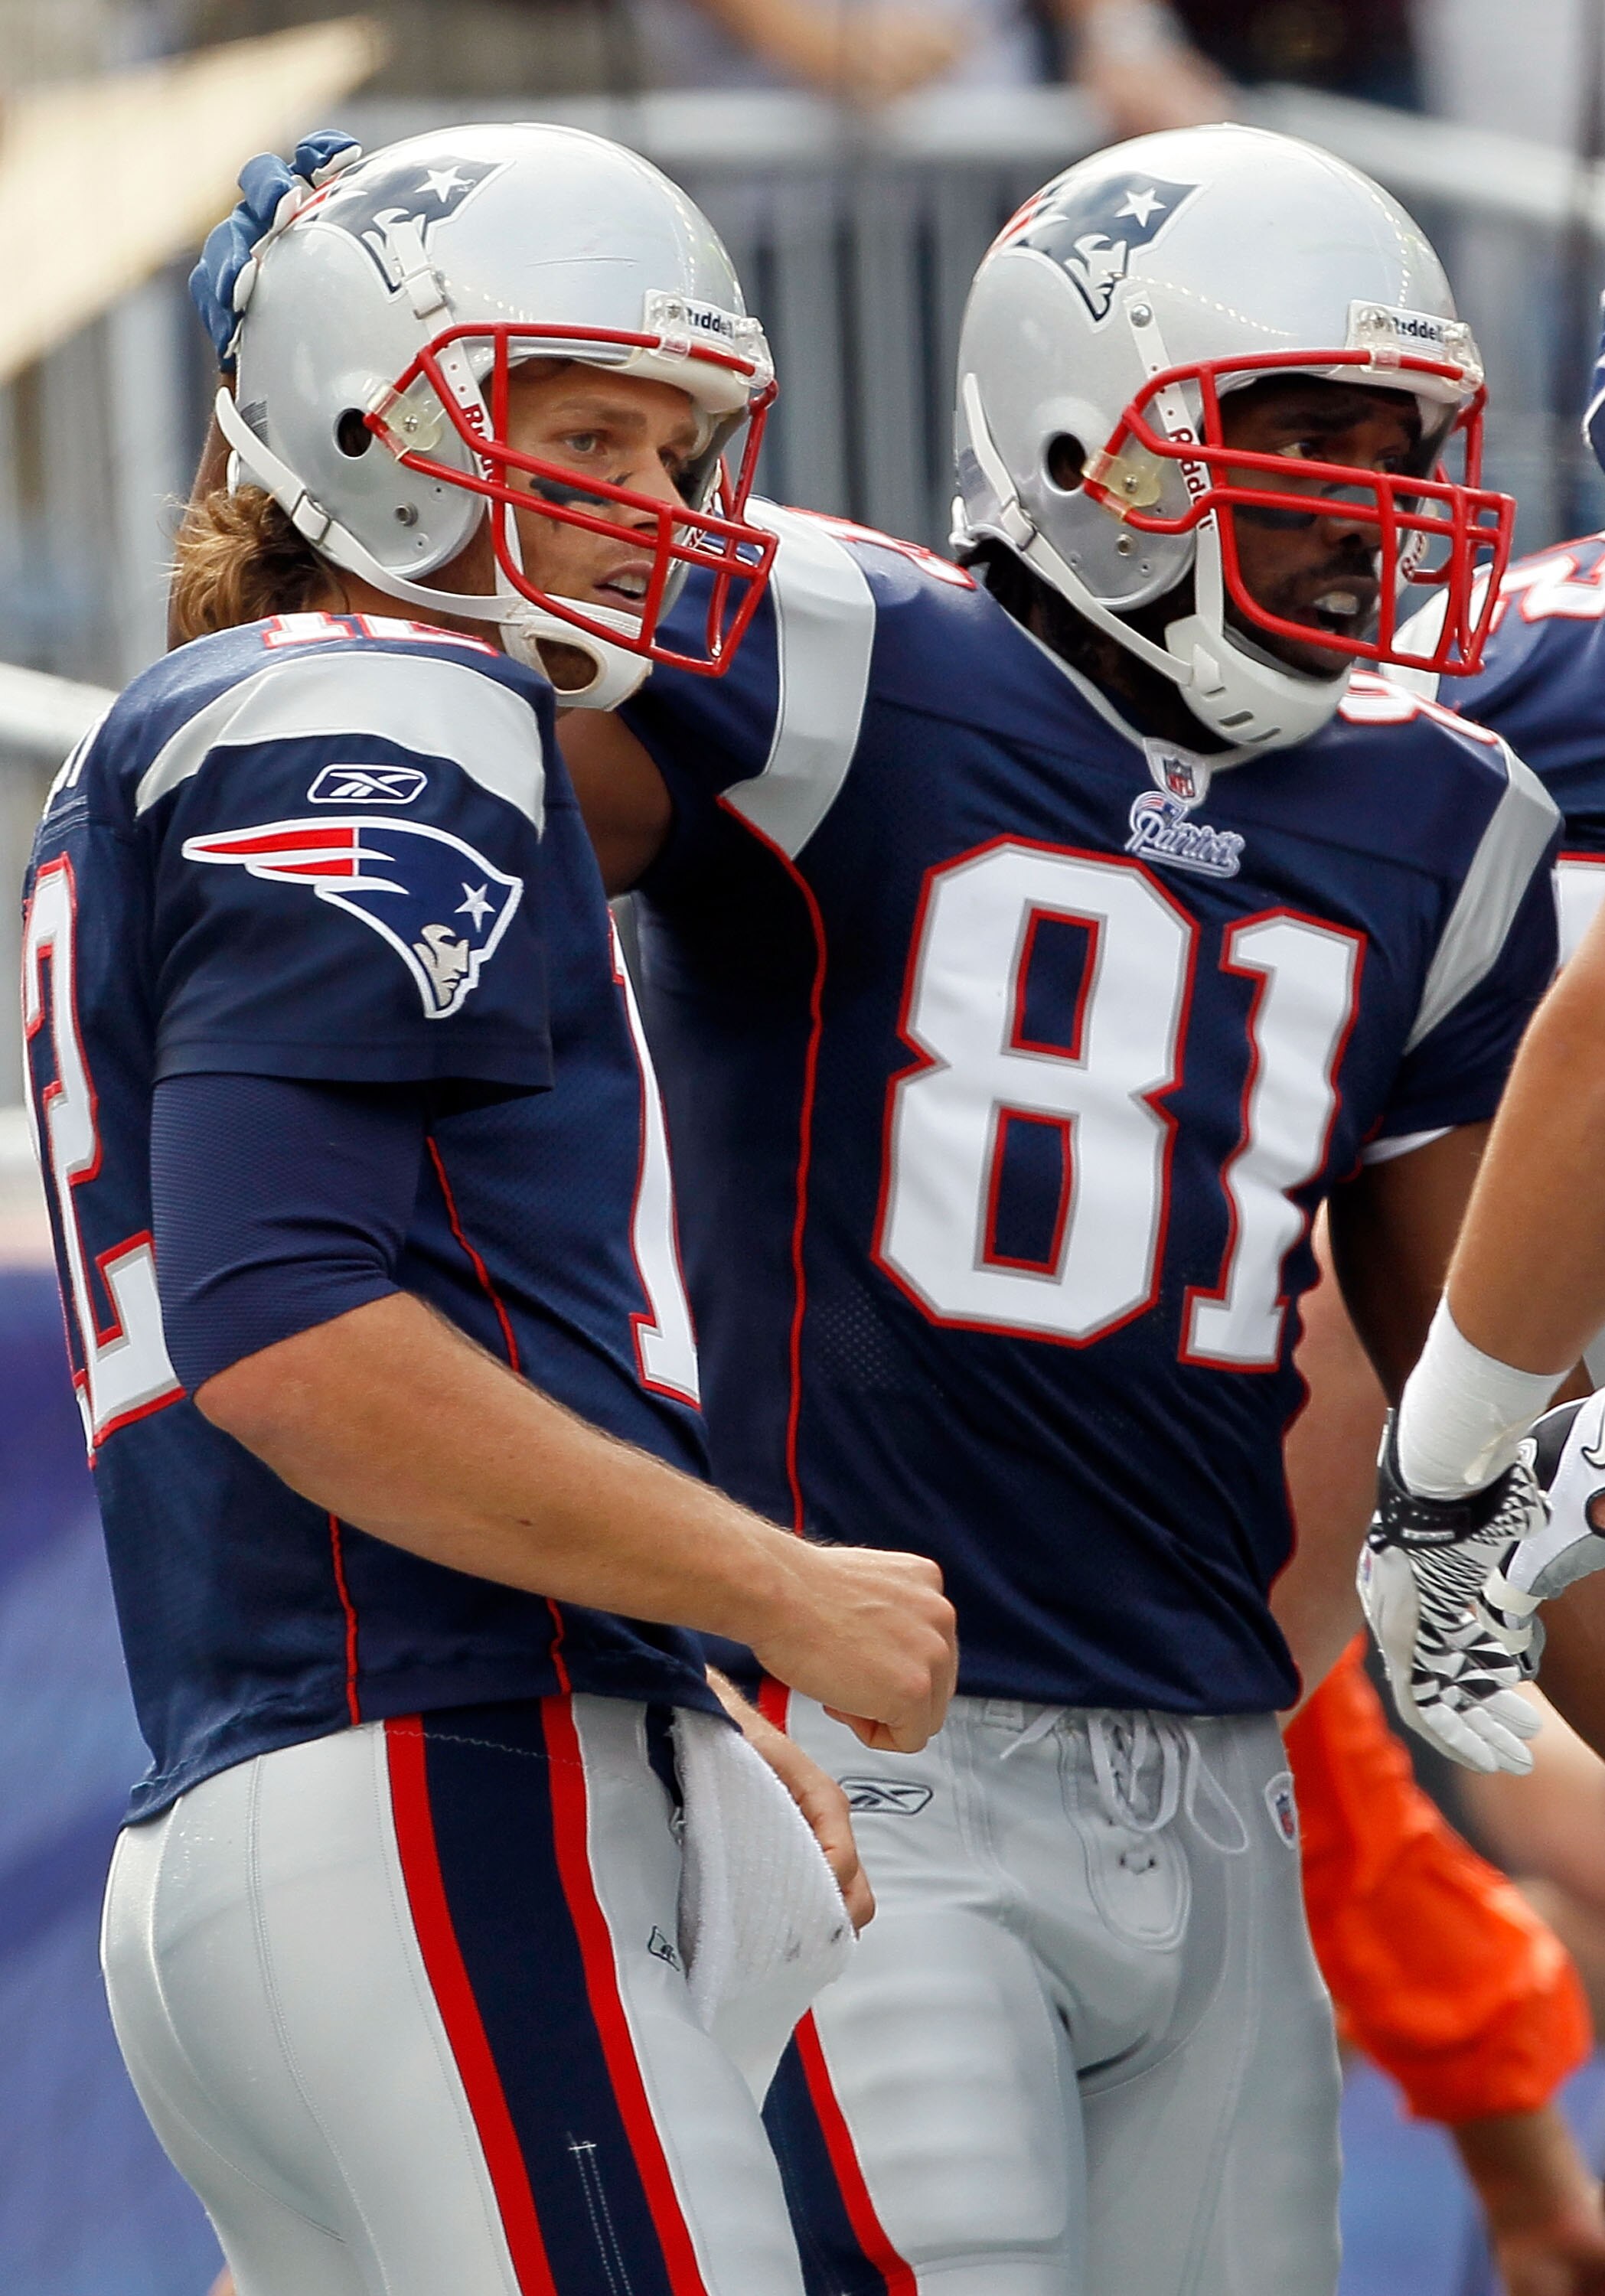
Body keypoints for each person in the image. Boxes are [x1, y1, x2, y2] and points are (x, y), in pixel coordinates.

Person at [190, 121, 1554, 2295]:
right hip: (873, 1756)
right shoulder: (825, 654)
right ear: (1080, 440)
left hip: (1223, 1778)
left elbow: (1495, 1409)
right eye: (1297, 436)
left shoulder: (1443, 815)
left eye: (1402, 443)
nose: (1367, 506)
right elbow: (406, 797)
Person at [25, 122, 957, 2296]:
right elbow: (290, 1329)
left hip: (294, 1810)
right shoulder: (394, 702)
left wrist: (680, 1663)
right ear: (375, 413)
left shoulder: (225, 722)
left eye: (670, 443)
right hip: (432, 1794)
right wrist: (773, 1588)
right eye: (578, 432)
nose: (641, 500)